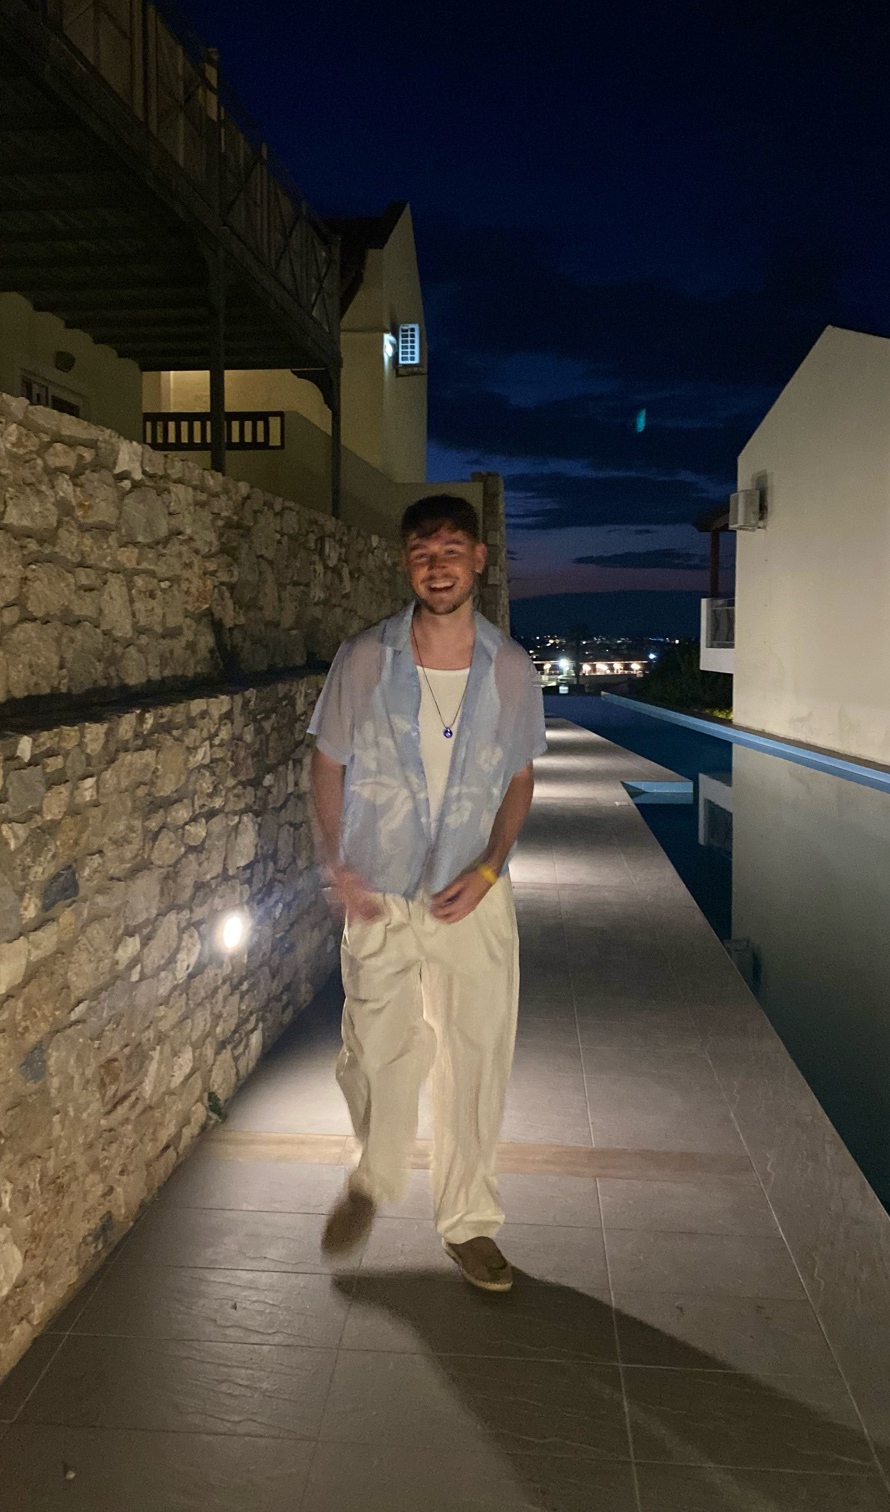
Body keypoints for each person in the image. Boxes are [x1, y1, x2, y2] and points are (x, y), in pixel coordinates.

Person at [307, 494, 545, 1291]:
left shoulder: (510, 668)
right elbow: (328, 761)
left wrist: (489, 868)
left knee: (478, 1056)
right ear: (406, 562)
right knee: (375, 1050)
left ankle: (469, 1222)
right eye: (421, 550)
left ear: (480, 559)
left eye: (451, 549)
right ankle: (374, 1178)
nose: (436, 564)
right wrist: (336, 862)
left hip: (471, 895)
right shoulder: (366, 658)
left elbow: (520, 778)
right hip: (381, 887)